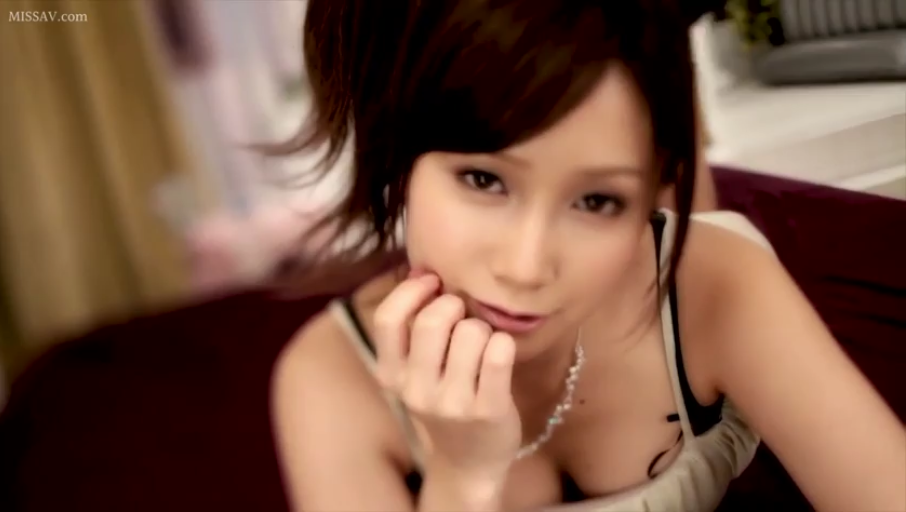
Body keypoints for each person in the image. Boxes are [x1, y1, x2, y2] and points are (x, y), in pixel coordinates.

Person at [270, 1, 905, 511]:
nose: (526, 267)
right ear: (397, 154)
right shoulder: (331, 379)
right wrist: (462, 478)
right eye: (484, 180)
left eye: (597, 201)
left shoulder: (714, 283)